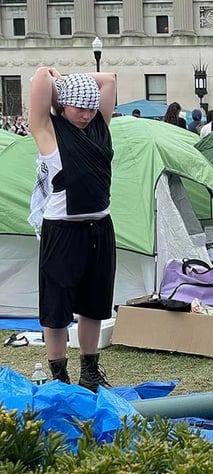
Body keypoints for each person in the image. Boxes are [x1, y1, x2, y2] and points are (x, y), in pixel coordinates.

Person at [28, 67, 117, 392]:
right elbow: (40, 79)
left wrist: (74, 85)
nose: (86, 113)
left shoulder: (99, 128)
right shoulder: (48, 130)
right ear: (62, 104)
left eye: (91, 106)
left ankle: (90, 371)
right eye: (79, 106)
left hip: (100, 229)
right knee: (56, 307)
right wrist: (55, 78)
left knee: (95, 304)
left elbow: (107, 79)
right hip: (63, 230)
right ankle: (59, 376)